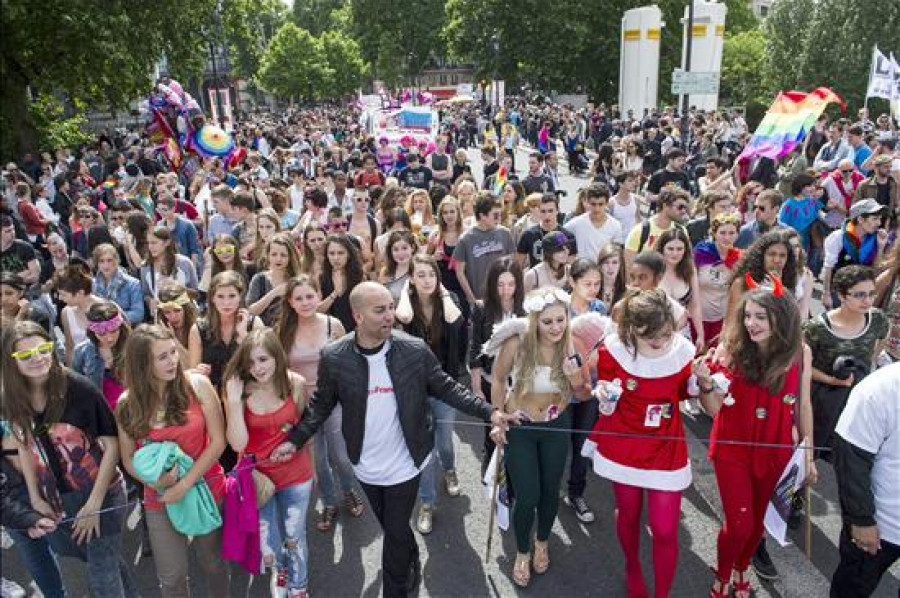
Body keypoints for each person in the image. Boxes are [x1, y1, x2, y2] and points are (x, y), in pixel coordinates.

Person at [270, 282, 514, 598]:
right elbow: (321, 404)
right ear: (357, 316)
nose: (390, 316)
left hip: (406, 462)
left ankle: (396, 590)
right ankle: (410, 555)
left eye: (391, 307)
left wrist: (490, 412)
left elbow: (447, 387)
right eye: (380, 310)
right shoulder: (335, 356)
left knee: (394, 534)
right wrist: (295, 439)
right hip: (366, 465)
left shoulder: (412, 349)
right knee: (395, 530)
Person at [696, 284, 816, 598]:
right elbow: (713, 410)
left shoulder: (800, 351)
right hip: (732, 448)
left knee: (760, 523)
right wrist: (706, 386)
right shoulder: (730, 349)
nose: (751, 324)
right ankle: (722, 575)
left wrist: (808, 453)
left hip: (778, 451)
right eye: (747, 316)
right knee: (740, 525)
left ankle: (741, 569)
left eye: (760, 317)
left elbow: (803, 405)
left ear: (782, 318)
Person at [2, 320, 135, 598]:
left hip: (101, 491)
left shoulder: (78, 387)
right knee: (101, 559)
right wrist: (36, 498)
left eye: (43, 349)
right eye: (25, 355)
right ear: (11, 362)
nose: (37, 359)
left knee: (101, 576)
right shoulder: (12, 397)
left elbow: (111, 445)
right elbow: (25, 446)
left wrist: (95, 504)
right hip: (57, 497)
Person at [583, 289, 696, 598]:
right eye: (650, 337)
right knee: (629, 514)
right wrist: (603, 396)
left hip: (666, 447)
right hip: (624, 445)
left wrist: (701, 382)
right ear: (632, 328)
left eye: (665, 334)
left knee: (664, 528)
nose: (660, 341)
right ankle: (632, 567)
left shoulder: (684, 351)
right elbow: (606, 403)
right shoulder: (611, 351)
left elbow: (686, 393)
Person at [116, 324, 230, 597]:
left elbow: (218, 442)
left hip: (206, 488)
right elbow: (128, 459)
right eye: (162, 356)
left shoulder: (198, 385)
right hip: (159, 497)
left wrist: (184, 484)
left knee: (213, 564)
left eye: (172, 352)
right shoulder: (126, 403)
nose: (173, 360)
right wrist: (156, 482)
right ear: (142, 364)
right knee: (172, 578)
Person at [485, 287, 588, 587]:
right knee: (527, 495)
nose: (556, 327)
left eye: (561, 319)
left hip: (557, 426)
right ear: (534, 321)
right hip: (521, 427)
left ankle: (542, 542)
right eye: (548, 322)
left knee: (549, 492)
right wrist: (497, 417)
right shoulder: (517, 342)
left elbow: (583, 391)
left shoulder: (572, 344)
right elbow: (500, 379)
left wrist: (573, 376)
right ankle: (522, 551)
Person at [222, 328, 313, 598]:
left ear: (277, 356)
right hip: (257, 480)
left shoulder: (295, 383)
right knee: (269, 544)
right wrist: (235, 403)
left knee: (295, 537)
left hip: (296, 476)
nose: (257, 368)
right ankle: (280, 572)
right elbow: (237, 444)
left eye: (263, 359)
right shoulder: (239, 390)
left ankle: (299, 586)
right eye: (250, 362)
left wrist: (315, 470)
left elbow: (305, 432)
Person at [276, 276, 364, 532]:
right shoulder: (282, 330)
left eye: (309, 296)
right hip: (302, 404)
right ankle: (328, 502)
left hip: (334, 399)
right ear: (290, 302)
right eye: (299, 298)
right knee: (318, 460)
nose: (305, 303)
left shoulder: (332, 324)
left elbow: (352, 361)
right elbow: (278, 369)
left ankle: (348, 489)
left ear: (318, 295)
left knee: (341, 455)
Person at [394, 255, 467, 534]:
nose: (426, 280)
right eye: (420, 275)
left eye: (431, 275)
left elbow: (455, 321)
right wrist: (404, 291)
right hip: (414, 390)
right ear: (411, 278)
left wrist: (444, 293)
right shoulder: (407, 306)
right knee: (425, 450)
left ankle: (449, 469)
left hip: (444, 387)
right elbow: (404, 317)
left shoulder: (449, 304)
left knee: (445, 442)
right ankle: (427, 503)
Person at [804, 266, 888, 459]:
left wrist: (872, 361)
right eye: (859, 295)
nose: (867, 301)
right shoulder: (816, 327)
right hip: (823, 399)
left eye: (871, 294)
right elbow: (803, 366)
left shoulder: (876, 319)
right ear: (841, 296)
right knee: (816, 451)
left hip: (859, 397)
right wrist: (831, 381)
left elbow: (882, 337)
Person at [831, 363, 900, 597]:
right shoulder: (881, 388)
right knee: (852, 589)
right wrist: (861, 521)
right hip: (881, 528)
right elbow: (850, 457)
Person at [469, 257, 526, 473]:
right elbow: (474, 348)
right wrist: (476, 387)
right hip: (489, 379)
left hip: (518, 381)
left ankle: (514, 473)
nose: (505, 290)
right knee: (492, 430)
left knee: (516, 430)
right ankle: (489, 474)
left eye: (511, 284)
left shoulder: (526, 308)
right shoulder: (481, 308)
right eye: (500, 284)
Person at [821, 200, 889, 308]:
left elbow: (876, 270)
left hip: (863, 292)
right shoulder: (838, 237)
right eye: (875, 219)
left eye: (880, 219)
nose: (879, 223)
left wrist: (881, 247)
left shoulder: (876, 239)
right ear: (861, 219)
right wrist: (826, 293)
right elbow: (828, 267)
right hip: (840, 292)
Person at [453, 196, 516, 306]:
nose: (499, 219)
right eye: (495, 215)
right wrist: (472, 299)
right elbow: (459, 272)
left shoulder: (505, 233)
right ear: (482, 215)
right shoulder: (466, 239)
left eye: (500, 214)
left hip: (503, 297)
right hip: (480, 300)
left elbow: (512, 266)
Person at [72, 300, 131, 410]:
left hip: (130, 410)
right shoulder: (82, 351)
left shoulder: (133, 347)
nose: (109, 338)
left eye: (114, 331)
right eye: (102, 334)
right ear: (93, 332)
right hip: (100, 411)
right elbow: (76, 387)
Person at [694, 213, 742, 347]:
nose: (727, 237)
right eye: (723, 233)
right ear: (714, 233)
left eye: (732, 233)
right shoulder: (700, 254)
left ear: (738, 235)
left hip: (722, 320)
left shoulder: (740, 260)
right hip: (696, 318)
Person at [656, 227, 705, 350]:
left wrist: (700, 334)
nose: (675, 253)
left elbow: (695, 305)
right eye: (670, 249)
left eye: (679, 249)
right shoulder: (653, 271)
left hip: (682, 334)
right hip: (655, 334)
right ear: (662, 249)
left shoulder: (690, 271)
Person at [140, 226, 199, 318]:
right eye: (148, 243)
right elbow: (146, 293)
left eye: (154, 243)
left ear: (167, 242)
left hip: (186, 315)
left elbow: (196, 292)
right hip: (162, 316)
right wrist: (150, 301)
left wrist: (176, 289)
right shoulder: (145, 266)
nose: (150, 247)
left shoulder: (184, 263)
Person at [624, 188, 690, 268]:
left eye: (685, 208)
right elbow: (629, 267)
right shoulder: (640, 231)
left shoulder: (682, 231)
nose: (683, 211)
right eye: (680, 207)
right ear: (665, 205)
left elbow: (687, 263)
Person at [246, 232, 302, 326]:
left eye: (283, 255)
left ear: (290, 257)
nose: (278, 259)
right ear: (268, 256)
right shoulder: (259, 279)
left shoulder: (297, 280)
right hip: (265, 333)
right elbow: (251, 311)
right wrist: (274, 293)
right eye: (274, 254)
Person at [54, 261, 103, 365]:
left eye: (63, 294)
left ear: (80, 293)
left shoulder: (107, 307)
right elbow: (70, 346)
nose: (60, 298)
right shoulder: (66, 312)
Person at [318, 233, 365, 332]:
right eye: (331, 253)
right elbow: (318, 310)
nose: (335, 258)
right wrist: (335, 293)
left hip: (356, 330)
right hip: (332, 330)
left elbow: (365, 306)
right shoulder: (323, 277)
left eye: (340, 253)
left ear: (348, 254)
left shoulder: (358, 275)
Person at [563, 183, 621, 262]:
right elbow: (559, 235)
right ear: (587, 202)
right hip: (582, 271)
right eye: (593, 204)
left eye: (601, 204)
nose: (597, 209)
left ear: (607, 203)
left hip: (604, 271)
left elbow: (617, 253)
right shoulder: (576, 223)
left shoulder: (615, 225)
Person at [517, 193, 575, 268]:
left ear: (557, 211)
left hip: (560, 278)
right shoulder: (529, 234)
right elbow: (519, 264)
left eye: (550, 211)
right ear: (539, 211)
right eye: (543, 211)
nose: (547, 215)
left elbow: (570, 266)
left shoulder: (567, 236)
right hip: (536, 277)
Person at [92, 243, 145, 324]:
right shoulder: (93, 284)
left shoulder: (133, 284)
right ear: (97, 264)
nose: (106, 265)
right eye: (101, 261)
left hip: (126, 330)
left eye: (109, 260)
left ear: (116, 261)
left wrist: (112, 319)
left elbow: (138, 314)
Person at [379, 230, 417, 303]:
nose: (400, 253)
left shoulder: (418, 271)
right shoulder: (385, 271)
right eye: (396, 249)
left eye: (404, 248)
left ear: (412, 248)